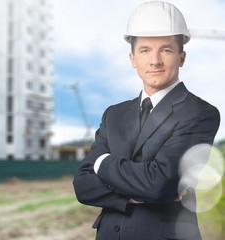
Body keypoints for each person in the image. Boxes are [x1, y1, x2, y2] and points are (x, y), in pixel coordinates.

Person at [73, 1, 220, 240]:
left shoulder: (200, 113)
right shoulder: (114, 115)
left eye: (166, 50)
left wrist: (102, 164)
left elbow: (159, 184)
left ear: (181, 57)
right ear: (132, 58)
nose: (155, 61)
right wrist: (135, 195)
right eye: (145, 50)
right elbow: (82, 185)